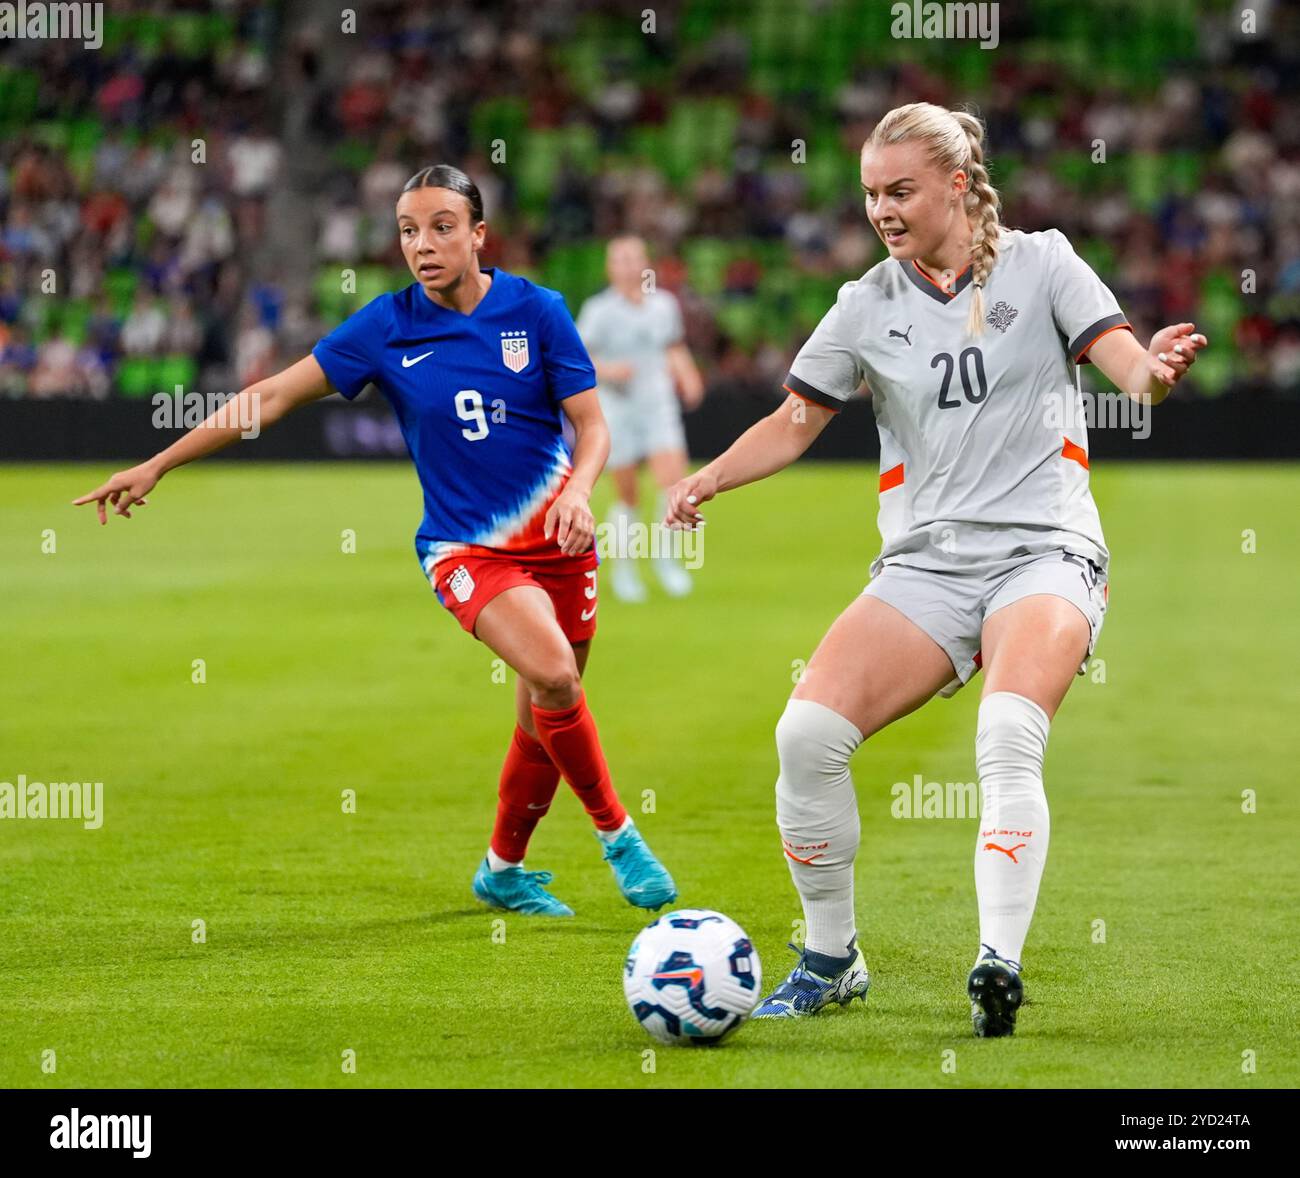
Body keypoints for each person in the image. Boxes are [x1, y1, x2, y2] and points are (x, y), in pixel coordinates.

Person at [663, 103, 1207, 1036]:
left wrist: (1155, 370)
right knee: (805, 738)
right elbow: (796, 420)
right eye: (871, 192)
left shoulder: (1043, 264)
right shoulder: (865, 304)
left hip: (1045, 551)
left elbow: (1128, 370)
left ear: (958, 184)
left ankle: (997, 962)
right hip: (925, 566)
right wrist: (707, 478)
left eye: (900, 190)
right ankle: (832, 958)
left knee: (1006, 735)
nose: (881, 208)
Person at [75, 164, 677, 919]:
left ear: (478, 235)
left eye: (441, 227)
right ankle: (618, 834)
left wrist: (583, 493)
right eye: (407, 231)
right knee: (556, 677)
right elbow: (271, 396)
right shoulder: (384, 328)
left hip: (561, 537)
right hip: (468, 549)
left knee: (542, 716)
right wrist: (161, 462)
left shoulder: (538, 311)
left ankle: (502, 869)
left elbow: (592, 425)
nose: (422, 245)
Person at [577, 235, 705, 601]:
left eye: (635, 258)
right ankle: (625, 569)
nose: (629, 266)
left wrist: (688, 375)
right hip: (617, 409)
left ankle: (666, 561)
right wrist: (610, 369)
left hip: (657, 404)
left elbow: (672, 345)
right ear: (610, 267)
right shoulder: (598, 310)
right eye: (621, 259)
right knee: (628, 493)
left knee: (674, 484)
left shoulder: (663, 305)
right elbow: (579, 360)